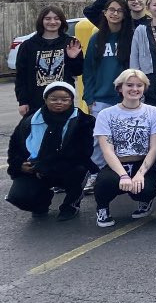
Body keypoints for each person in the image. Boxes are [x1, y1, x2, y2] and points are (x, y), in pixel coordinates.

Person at [5, 82, 95, 221]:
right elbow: (15, 148)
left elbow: (84, 152)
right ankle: (41, 203)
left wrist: (47, 165)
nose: (59, 102)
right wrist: (20, 165)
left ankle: (71, 205)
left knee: (79, 170)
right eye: (53, 99)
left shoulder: (83, 121)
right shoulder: (30, 120)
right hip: (36, 168)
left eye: (65, 99)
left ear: (71, 100)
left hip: (67, 167)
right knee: (18, 197)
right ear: (45, 99)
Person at [92, 69, 156, 228]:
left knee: (145, 187)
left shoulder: (154, 113)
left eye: (139, 85)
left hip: (142, 163)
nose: (134, 89)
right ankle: (103, 208)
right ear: (120, 88)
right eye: (129, 85)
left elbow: (154, 148)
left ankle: (145, 201)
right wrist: (124, 176)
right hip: (117, 163)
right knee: (105, 182)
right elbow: (107, 150)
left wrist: (139, 174)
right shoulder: (106, 114)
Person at [13, 5, 83, 118]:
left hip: (63, 100)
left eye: (56, 18)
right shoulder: (28, 45)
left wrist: (72, 58)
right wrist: (22, 101)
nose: (52, 22)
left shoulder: (70, 42)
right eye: (48, 18)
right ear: (41, 21)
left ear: (62, 21)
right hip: (35, 101)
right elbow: (21, 76)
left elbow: (78, 71)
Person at [82, 0, 134, 116]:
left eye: (120, 11)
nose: (115, 13)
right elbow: (88, 70)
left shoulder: (132, 38)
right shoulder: (96, 39)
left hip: (127, 99)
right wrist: (89, 98)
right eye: (112, 10)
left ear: (125, 15)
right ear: (105, 13)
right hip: (100, 101)